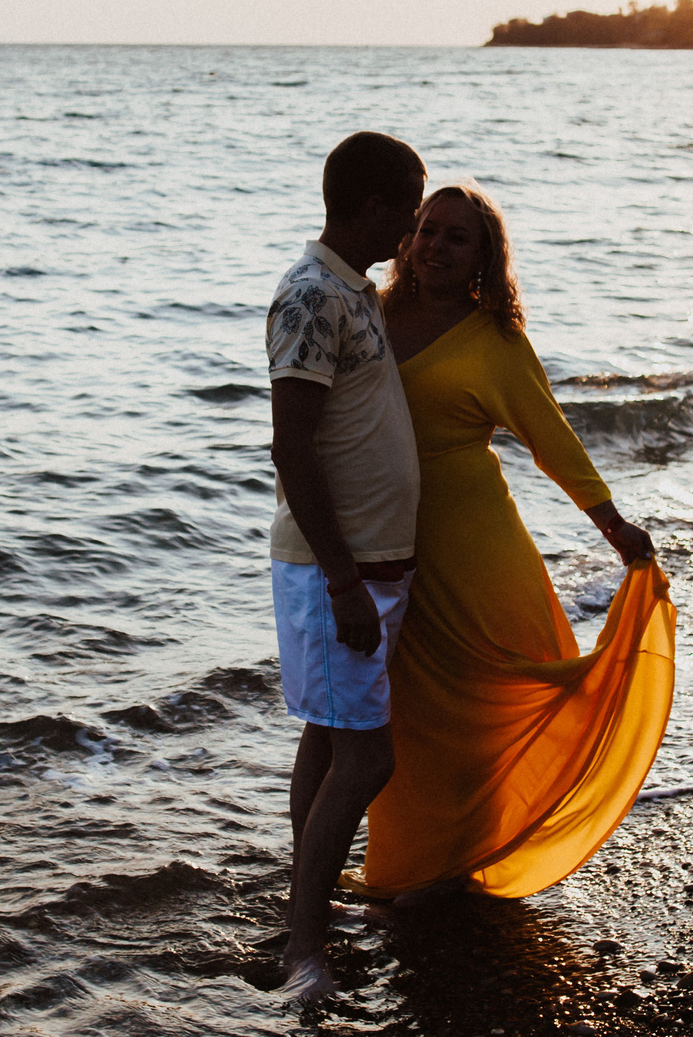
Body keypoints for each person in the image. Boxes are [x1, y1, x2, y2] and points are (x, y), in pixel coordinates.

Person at [356, 181, 675, 907]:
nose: (435, 245)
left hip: (475, 547)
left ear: (483, 257)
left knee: (488, 698)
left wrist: (613, 524)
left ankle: (475, 854)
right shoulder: (368, 313)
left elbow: (551, 439)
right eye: (427, 229)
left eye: (455, 236)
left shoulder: (493, 338)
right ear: (407, 236)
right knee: (407, 714)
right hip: (389, 544)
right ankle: (415, 864)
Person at [264, 131, 425, 1002]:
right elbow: (292, 444)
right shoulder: (309, 296)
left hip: (370, 566)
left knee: (329, 739)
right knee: (367, 760)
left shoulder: (354, 290)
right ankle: (302, 948)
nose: (411, 224)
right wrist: (342, 579)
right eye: (406, 205)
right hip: (340, 571)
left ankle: (308, 906)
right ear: (368, 203)